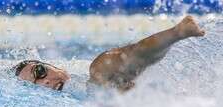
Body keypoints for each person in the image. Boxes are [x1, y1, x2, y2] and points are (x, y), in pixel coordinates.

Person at [14, 16, 205, 91]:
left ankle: (177, 32)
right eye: (35, 85)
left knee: (100, 67)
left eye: (39, 72)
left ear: (58, 66)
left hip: (112, 89)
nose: (44, 81)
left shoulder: (88, 80)